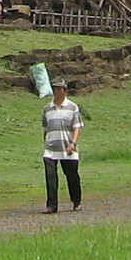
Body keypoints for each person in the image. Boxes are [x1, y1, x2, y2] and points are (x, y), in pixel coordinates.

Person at [41, 77, 82, 213]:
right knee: (50, 176)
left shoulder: (72, 107)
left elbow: (77, 127)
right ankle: (52, 205)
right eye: (55, 90)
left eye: (59, 89)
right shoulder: (47, 109)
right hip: (51, 149)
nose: (57, 92)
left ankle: (76, 201)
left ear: (65, 91)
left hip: (67, 148)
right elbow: (45, 128)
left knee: (72, 176)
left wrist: (73, 143)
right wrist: (46, 142)